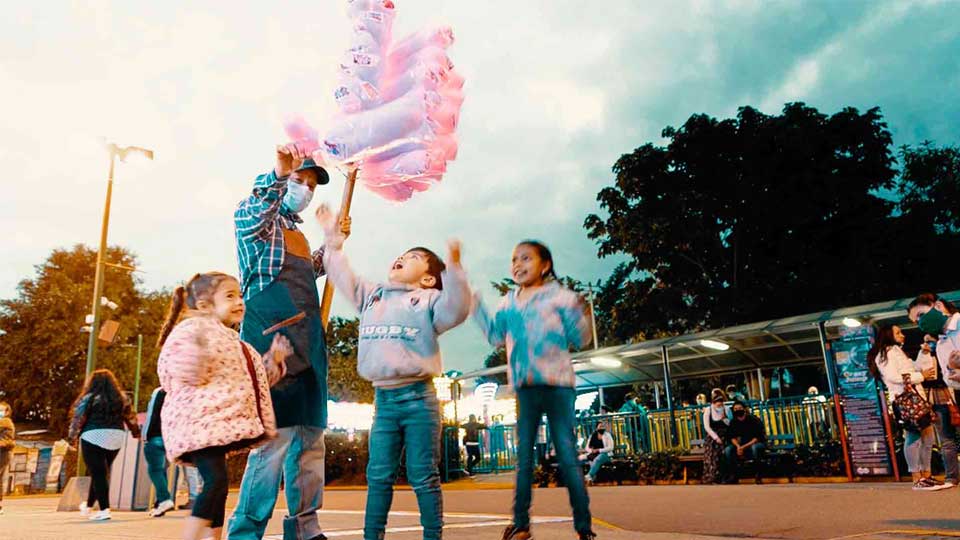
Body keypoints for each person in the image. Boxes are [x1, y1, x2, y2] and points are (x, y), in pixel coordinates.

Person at [317, 204, 471, 540]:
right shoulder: (373, 296)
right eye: (401, 255)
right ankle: (373, 536)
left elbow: (457, 309)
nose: (401, 257)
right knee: (378, 474)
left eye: (413, 257)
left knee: (422, 474)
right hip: (383, 402)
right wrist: (334, 239)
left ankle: (433, 535)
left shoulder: (429, 301)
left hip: (420, 400)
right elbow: (341, 273)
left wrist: (455, 268)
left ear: (429, 278)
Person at [228, 142, 348, 540]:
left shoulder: (294, 230)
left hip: (310, 344)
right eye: (301, 179)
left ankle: (305, 528)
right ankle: (246, 532)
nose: (307, 188)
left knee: (311, 445)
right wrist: (279, 174)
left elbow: (309, 271)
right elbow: (260, 206)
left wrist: (330, 246)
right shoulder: (254, 218)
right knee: (272, 445)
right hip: (271, 342)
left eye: (312, 183)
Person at [472, 240, 597, 540]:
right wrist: (476, 306)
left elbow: (580, 338)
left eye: (526, 258)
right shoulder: (508, 302)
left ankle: (584, 528)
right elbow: (494, 336)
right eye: (514, 259)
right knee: (523, 457)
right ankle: (521, 524)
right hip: (525, 387)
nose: (518, 264)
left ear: (545, 265)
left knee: (567, 455)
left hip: (557, 386)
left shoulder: (561, 297)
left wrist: (586, 314)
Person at [158, 272, 290, 540]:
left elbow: (256, 381)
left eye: (240, 295)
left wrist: (274, 362)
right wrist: (195, 350)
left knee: (218, 484)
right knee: (216, 482)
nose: (239, 301)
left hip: (214, 424)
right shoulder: (191, 330)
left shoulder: (235, 343)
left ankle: (213, 537)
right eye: (230, 296)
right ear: (205, 306)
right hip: (196, 422)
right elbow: (179, 371)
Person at [867, 324, 945, 491]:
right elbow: (893, 376)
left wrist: (923, 354)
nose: (902, 335)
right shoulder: (885, 353)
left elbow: (914, 367)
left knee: (928, 438)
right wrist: (920, 376)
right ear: (888, 334)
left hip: (916, 399)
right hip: (905, 401)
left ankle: (926, 475)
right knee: (914, 438)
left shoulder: (896, 350)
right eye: (898, 332)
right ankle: (916, 478)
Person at [67, 369, 141, 521]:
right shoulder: (121, 398)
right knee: (99, 472)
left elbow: (78, 419)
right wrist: (136, 433)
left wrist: (72, 438)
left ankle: (104, 509)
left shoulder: (89, 397)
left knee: (98, 473)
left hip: (93, 435)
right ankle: (88, 506)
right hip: (116, 437)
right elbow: (131, 417)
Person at [909, 293, 960, 488]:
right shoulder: (942, 343)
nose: (920, 323)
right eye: (916, 321)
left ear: (938, 306)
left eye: (921, 315)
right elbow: (950, 379)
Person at [143, 387, 176, 517]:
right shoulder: (178, 392)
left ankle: (164, 499)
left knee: (154, 470)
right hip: (169, 437)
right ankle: (159, 505)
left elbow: (152, 414)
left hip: (155, 436)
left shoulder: (159, 392)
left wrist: (146, 435)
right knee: (162, 470)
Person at [723, 400, 766, 484]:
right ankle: (733, 475)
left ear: (745, 409)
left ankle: (758, 474)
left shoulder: (754, 420)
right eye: (735, 409)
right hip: (740, 445)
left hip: (754, 444)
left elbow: (757, 438)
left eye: (740, 408)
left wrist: (743, 447)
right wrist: (738, 446)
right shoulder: (733, 422)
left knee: (755, 448)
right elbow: (731, 437)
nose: (738, 410)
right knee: (728, 450)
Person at [701, 389, 730, 485]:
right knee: (713, 452)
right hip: (713, 436)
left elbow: (730, 423)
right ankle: (712, 476)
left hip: (725, 435)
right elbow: (707, 427)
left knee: (724, 453)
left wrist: (724, 418)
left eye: (720, 402)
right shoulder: (708, 410)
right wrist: (716, 437)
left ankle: (724, 476)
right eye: (716, 402)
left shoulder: (726, 409)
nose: (719, 404)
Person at [583, 421, 614, 485]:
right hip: (594, 454)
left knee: (597, 459)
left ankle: (589, 475)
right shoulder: (592, 436)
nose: (602, 428)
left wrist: (599, 450)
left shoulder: (607, 435)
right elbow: (587, 448)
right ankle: (591, 479)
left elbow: (611, 447)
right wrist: (592, 451)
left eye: (603, 426)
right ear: (596, 428)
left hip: (605, 454)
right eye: (600, 426)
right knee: (582, 458)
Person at [0, 401, 14, 516]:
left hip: (3, 454)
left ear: (6, 412)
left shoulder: (5, 422)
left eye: (1, 410)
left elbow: (8, 441)